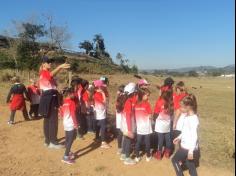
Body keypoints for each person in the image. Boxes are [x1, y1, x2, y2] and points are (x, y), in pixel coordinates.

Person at [38, 56, 70, 149]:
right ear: (43, 64)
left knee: (47, 120)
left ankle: (47, 141)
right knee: (53, 120)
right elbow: (51, 75)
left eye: (50, 62)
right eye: (48, 62)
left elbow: (52, 85)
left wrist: (59, 90)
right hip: (50, 98)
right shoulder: (45, 72)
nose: (50, 63)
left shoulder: (45, 73)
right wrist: (60, 67)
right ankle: (53, 142)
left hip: (48, 97)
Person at [172, 94, 200, 176]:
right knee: (190, 164)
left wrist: (191, 151)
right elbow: (185, 131)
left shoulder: (193, 119)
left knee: (175, 160)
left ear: (188, 107)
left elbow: (194, 136)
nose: (180, 109)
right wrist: (179, 137)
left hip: (187, 147)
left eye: (182, 107)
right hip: (188, 146)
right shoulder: (188, 117)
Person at [59, 88, 78, 164]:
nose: (74, 95)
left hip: (65, 122)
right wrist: (76, 124)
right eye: (73, 93)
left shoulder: (64, 102)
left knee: (68, 138)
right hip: (70, 123)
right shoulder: (71, 102)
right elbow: (73, 114)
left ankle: (68, 152)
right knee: (71, 139)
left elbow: (62, 114)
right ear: (70, 94)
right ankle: (66, 157)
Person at [153, 88, 174, 160]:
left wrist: (154, 119)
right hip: (167, 124)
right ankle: (167, 153)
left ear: (163, 93)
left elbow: (155, 113)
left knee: (160, 139)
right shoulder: (171, 102)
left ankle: (159, 154)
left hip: (160, 124)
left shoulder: (159, 101)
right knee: (168, 138)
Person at [120, 82, 137, 165]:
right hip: (128, 125)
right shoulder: (128, 102)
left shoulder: (128, 100)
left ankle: (123, 154)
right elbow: (128, 116)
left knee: (126, 139)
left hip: (126, 124)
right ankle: (127, 158)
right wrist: (130, 130)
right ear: (133, 93)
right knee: (128, 140)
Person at [134, 88, 153, 162]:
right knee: (147, 142)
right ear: (142, 95)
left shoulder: (136, 104)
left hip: (139, 126)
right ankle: (148, 156)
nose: (148, 97)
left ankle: (137, 156)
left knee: (138, 141)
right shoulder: (147, 104)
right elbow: (150, 116)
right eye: (147, 95)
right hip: (146, 126)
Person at [93, 80, 110, 149]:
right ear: (99, 87)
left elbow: (107, 95)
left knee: (98, 126)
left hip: (98, 113)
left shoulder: (96, 93)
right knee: (102, 127)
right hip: (101, 113)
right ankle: (103, 142)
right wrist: (102, 92)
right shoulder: (98, 94)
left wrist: (104, 91)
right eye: (102, 86)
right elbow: (104, 102)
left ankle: (97, 138)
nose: (103, 87)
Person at [115, 84, 125, 154]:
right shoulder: (122, 98)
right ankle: (121, 147)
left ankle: (119, 148)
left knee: (120, 133)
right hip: (122, 118)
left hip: (119, 118)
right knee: (122, 133)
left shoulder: (118, 98)